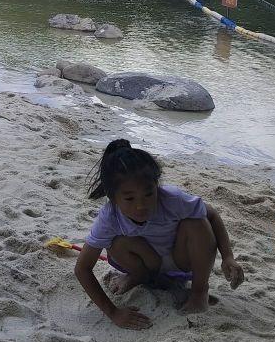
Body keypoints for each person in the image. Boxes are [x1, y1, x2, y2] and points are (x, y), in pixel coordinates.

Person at [74, 139, 245, 330]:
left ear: (157, 186)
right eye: (129, 198)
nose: (141, 205)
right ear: (113, 197)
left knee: (197, 223)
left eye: (148, 194)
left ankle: (199, 292)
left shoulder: (173, 199)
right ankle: (139, 276)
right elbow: (82, 268)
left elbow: (212, 214)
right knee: (116, 243)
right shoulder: (109, 216)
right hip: (146, 261)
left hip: (179, 259)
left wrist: (228, 257)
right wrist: (114, 313)